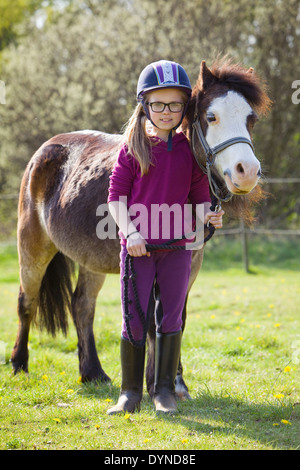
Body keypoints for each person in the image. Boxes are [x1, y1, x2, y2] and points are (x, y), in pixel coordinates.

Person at [107, 60, 224, 415]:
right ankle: (130, 392)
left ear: (184, 108)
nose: (167, 111)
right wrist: (131, 233)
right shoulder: (133, 148)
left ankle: (163, 391)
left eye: (175, 104)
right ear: (145, 104)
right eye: (158, 104)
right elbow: (116, 198)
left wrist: (208, 216)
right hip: (139, 249)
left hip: (177, 249)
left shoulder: (190, 150)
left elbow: (199, 193)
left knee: (171, 316)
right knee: (135, 316)